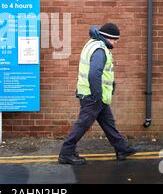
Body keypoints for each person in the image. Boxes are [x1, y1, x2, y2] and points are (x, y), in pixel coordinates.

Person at [58, 23, 138, 164]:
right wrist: (97, 95)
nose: (116, 42)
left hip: (96, 95)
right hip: (93, 96)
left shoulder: (93, 44)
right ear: (107, 38)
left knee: (108, 123)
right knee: (83, 124)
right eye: (115, 39)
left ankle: (122, 148)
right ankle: (66, 153)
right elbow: (94, 73)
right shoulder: (100, 50)